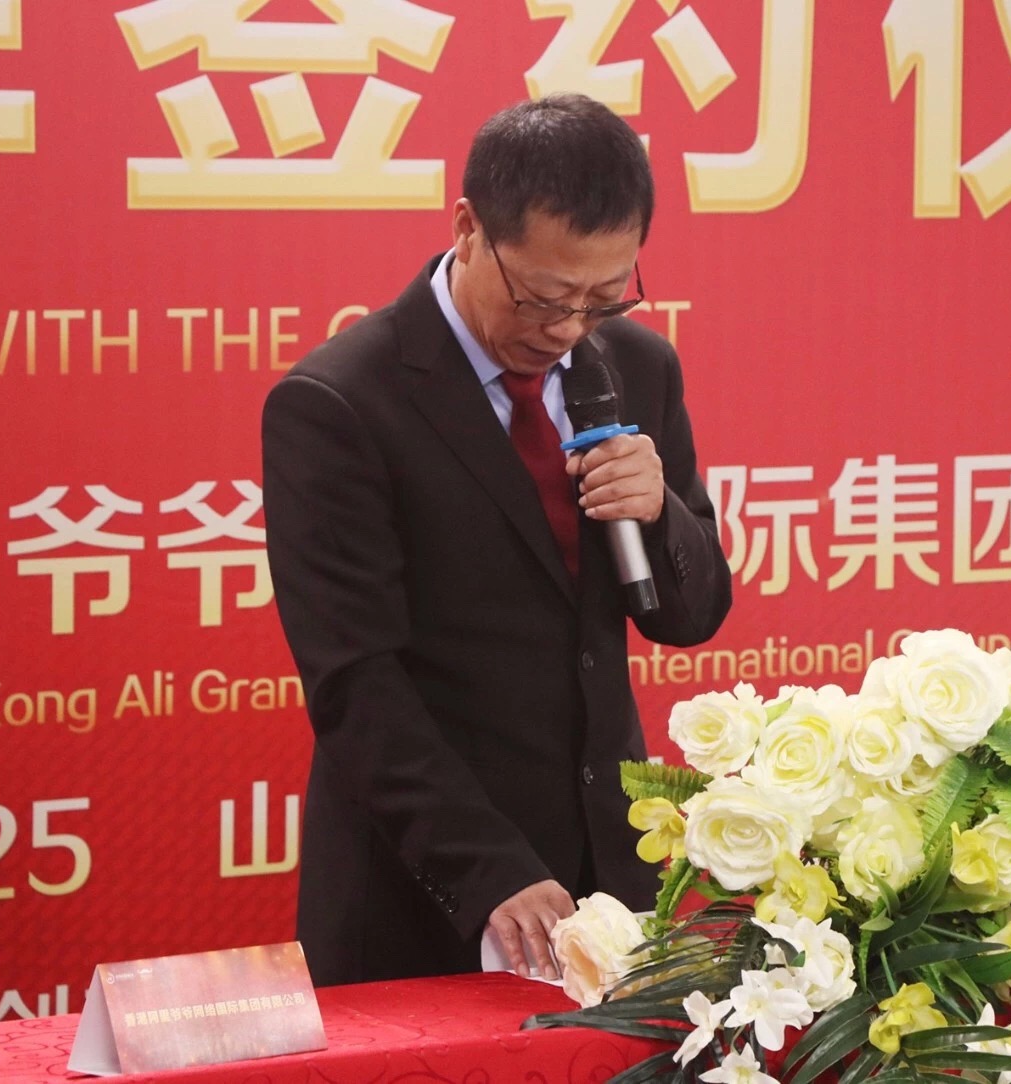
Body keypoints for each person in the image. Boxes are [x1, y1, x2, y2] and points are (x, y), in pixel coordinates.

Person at [261, 93, 732, 986]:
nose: (567, 329)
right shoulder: (340, 402)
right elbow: (356, 680)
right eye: (543, 297)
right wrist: (490, 870)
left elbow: (690, 616)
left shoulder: (638, 367)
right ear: (469, 228)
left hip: (609, 883)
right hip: (423, 892)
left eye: (604, 298)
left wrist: (659, 510)